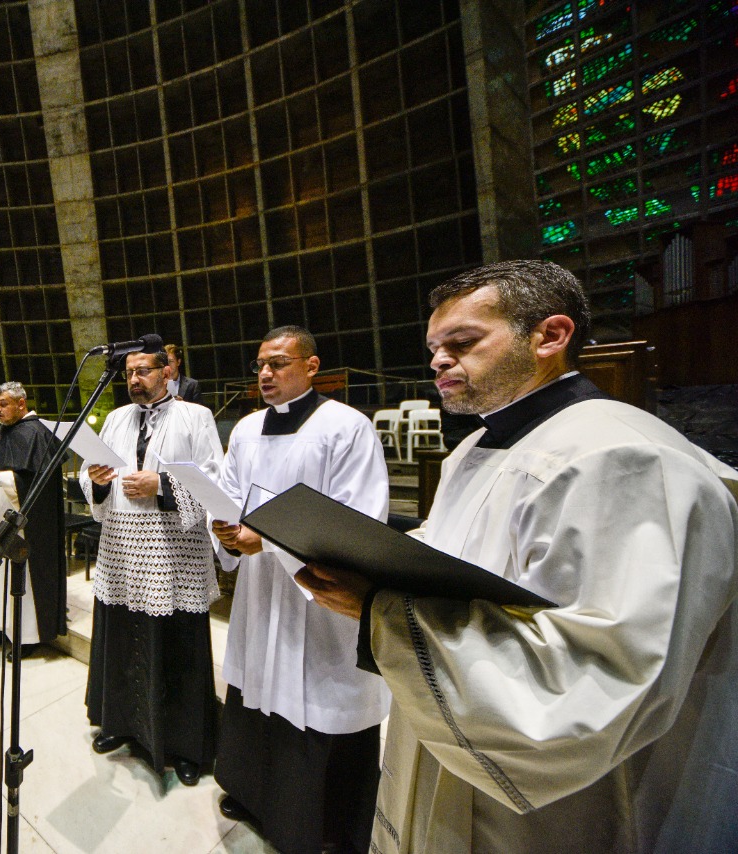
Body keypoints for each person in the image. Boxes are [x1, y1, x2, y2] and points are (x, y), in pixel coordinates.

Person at [300, 260, 738, 854]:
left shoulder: (625, 458)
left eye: (462, 342)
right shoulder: (477, 448)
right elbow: (465, 553)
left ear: (550, 336)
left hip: (560, 803)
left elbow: (598, 678)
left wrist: (380, 611)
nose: (438, 361)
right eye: (434, 348)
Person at [211, 325, 391, 854]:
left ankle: (320, 824)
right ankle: (254, 794)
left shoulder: (346, 427)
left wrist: (266, 541)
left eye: (279, 363)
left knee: (314, 696)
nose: (265, 374)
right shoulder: (246, 429)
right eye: (260, 365)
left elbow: (358, 517)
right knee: (255, 687)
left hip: (316, 596)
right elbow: (228, 492)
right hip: (259, 592)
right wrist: (225, 527)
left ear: (312, 366)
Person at [80, 349, 224, 786]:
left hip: (174, 554)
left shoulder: (196, 416)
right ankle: (120, 723)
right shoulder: (115, 418)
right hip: (122, 548)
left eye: (143, 371)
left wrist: (161, 484)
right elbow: (89, 471)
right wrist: (96, 482)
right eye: (129, 373)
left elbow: (213, 477)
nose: (134, 379)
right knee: (123, 639)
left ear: (167, 371)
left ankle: (185, 745)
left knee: (178, 646)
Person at [0, 382, 66, 658]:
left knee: (20, 573)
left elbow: (38, 485)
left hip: (25, 524)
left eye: (4, 404)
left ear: (21, 404)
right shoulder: (2, 432)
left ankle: (27, 635)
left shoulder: (37, 433)